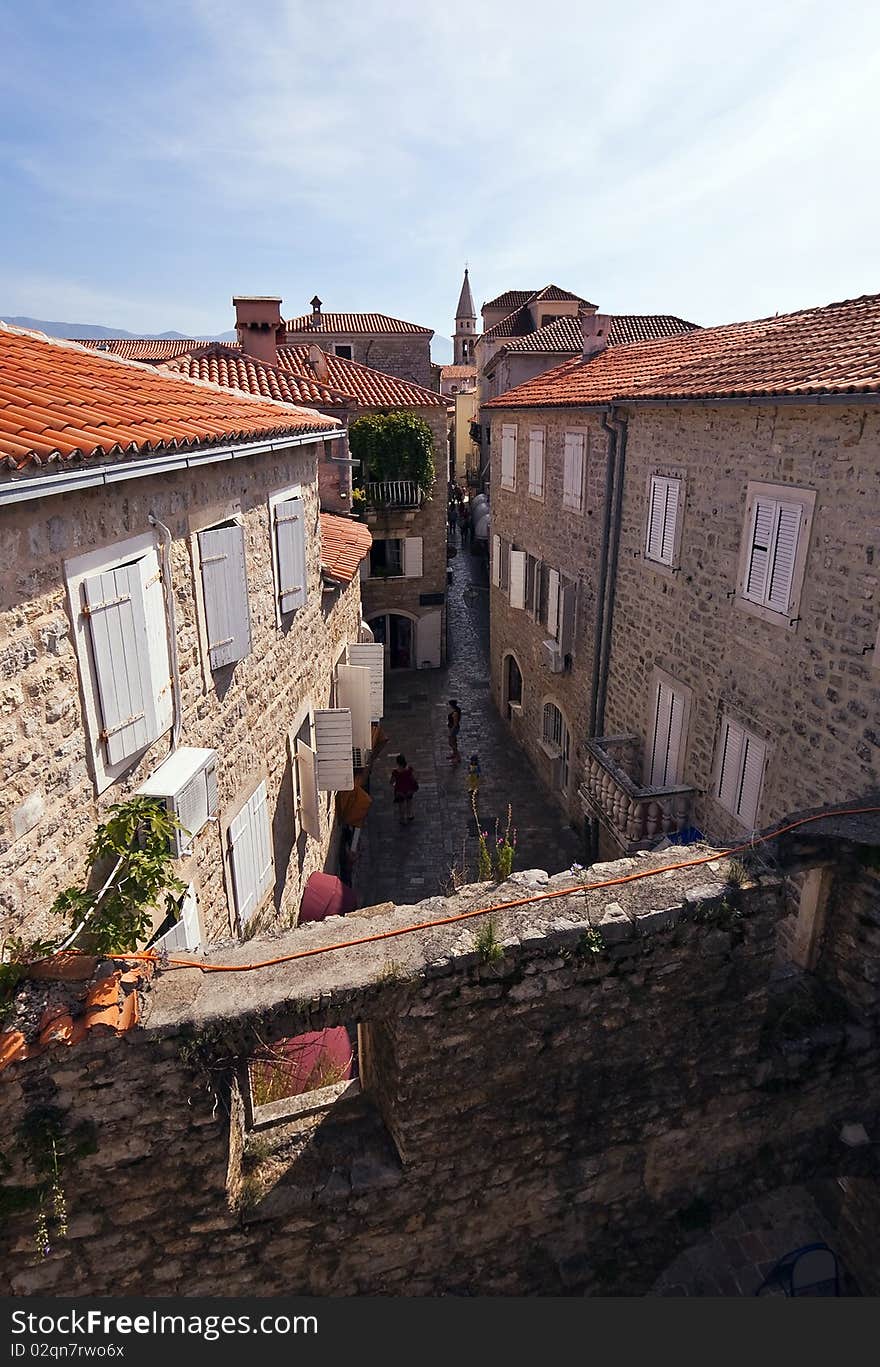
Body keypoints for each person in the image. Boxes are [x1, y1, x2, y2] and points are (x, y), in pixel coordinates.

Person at [390, 753, 418, 824]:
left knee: (401, 805)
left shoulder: (395, 772)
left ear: (397, 762)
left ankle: (402, 818)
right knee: (409, 801)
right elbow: (414, 778)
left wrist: (393, 784)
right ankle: (410, 814)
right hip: (409, 789)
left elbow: (391, 781)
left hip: (400, 791)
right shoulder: (409, 770)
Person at [447, 699, 462, 763]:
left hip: (454, 729)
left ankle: (458, 757)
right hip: (452, 728)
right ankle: (454, 754)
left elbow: (455, 724)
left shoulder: (455, 713)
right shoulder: (455, 710)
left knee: (451, 743)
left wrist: (451, 732)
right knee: (454, 742)